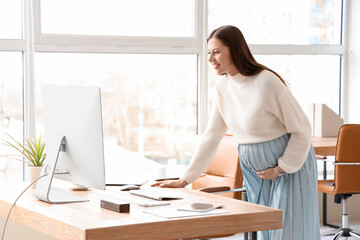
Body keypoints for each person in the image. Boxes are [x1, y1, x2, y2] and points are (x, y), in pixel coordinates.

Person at [151, 25, 321, 240]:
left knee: (287, 232)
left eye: (217, 51)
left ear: (235, 50)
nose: (211, 58)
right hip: (257, 173)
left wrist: (282, 168)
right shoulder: (222, 87)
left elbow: (303, 129)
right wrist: (185, 179)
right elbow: (212, 136)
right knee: (266, 231)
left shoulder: (266, 81)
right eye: (209, 53)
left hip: (289, 168)